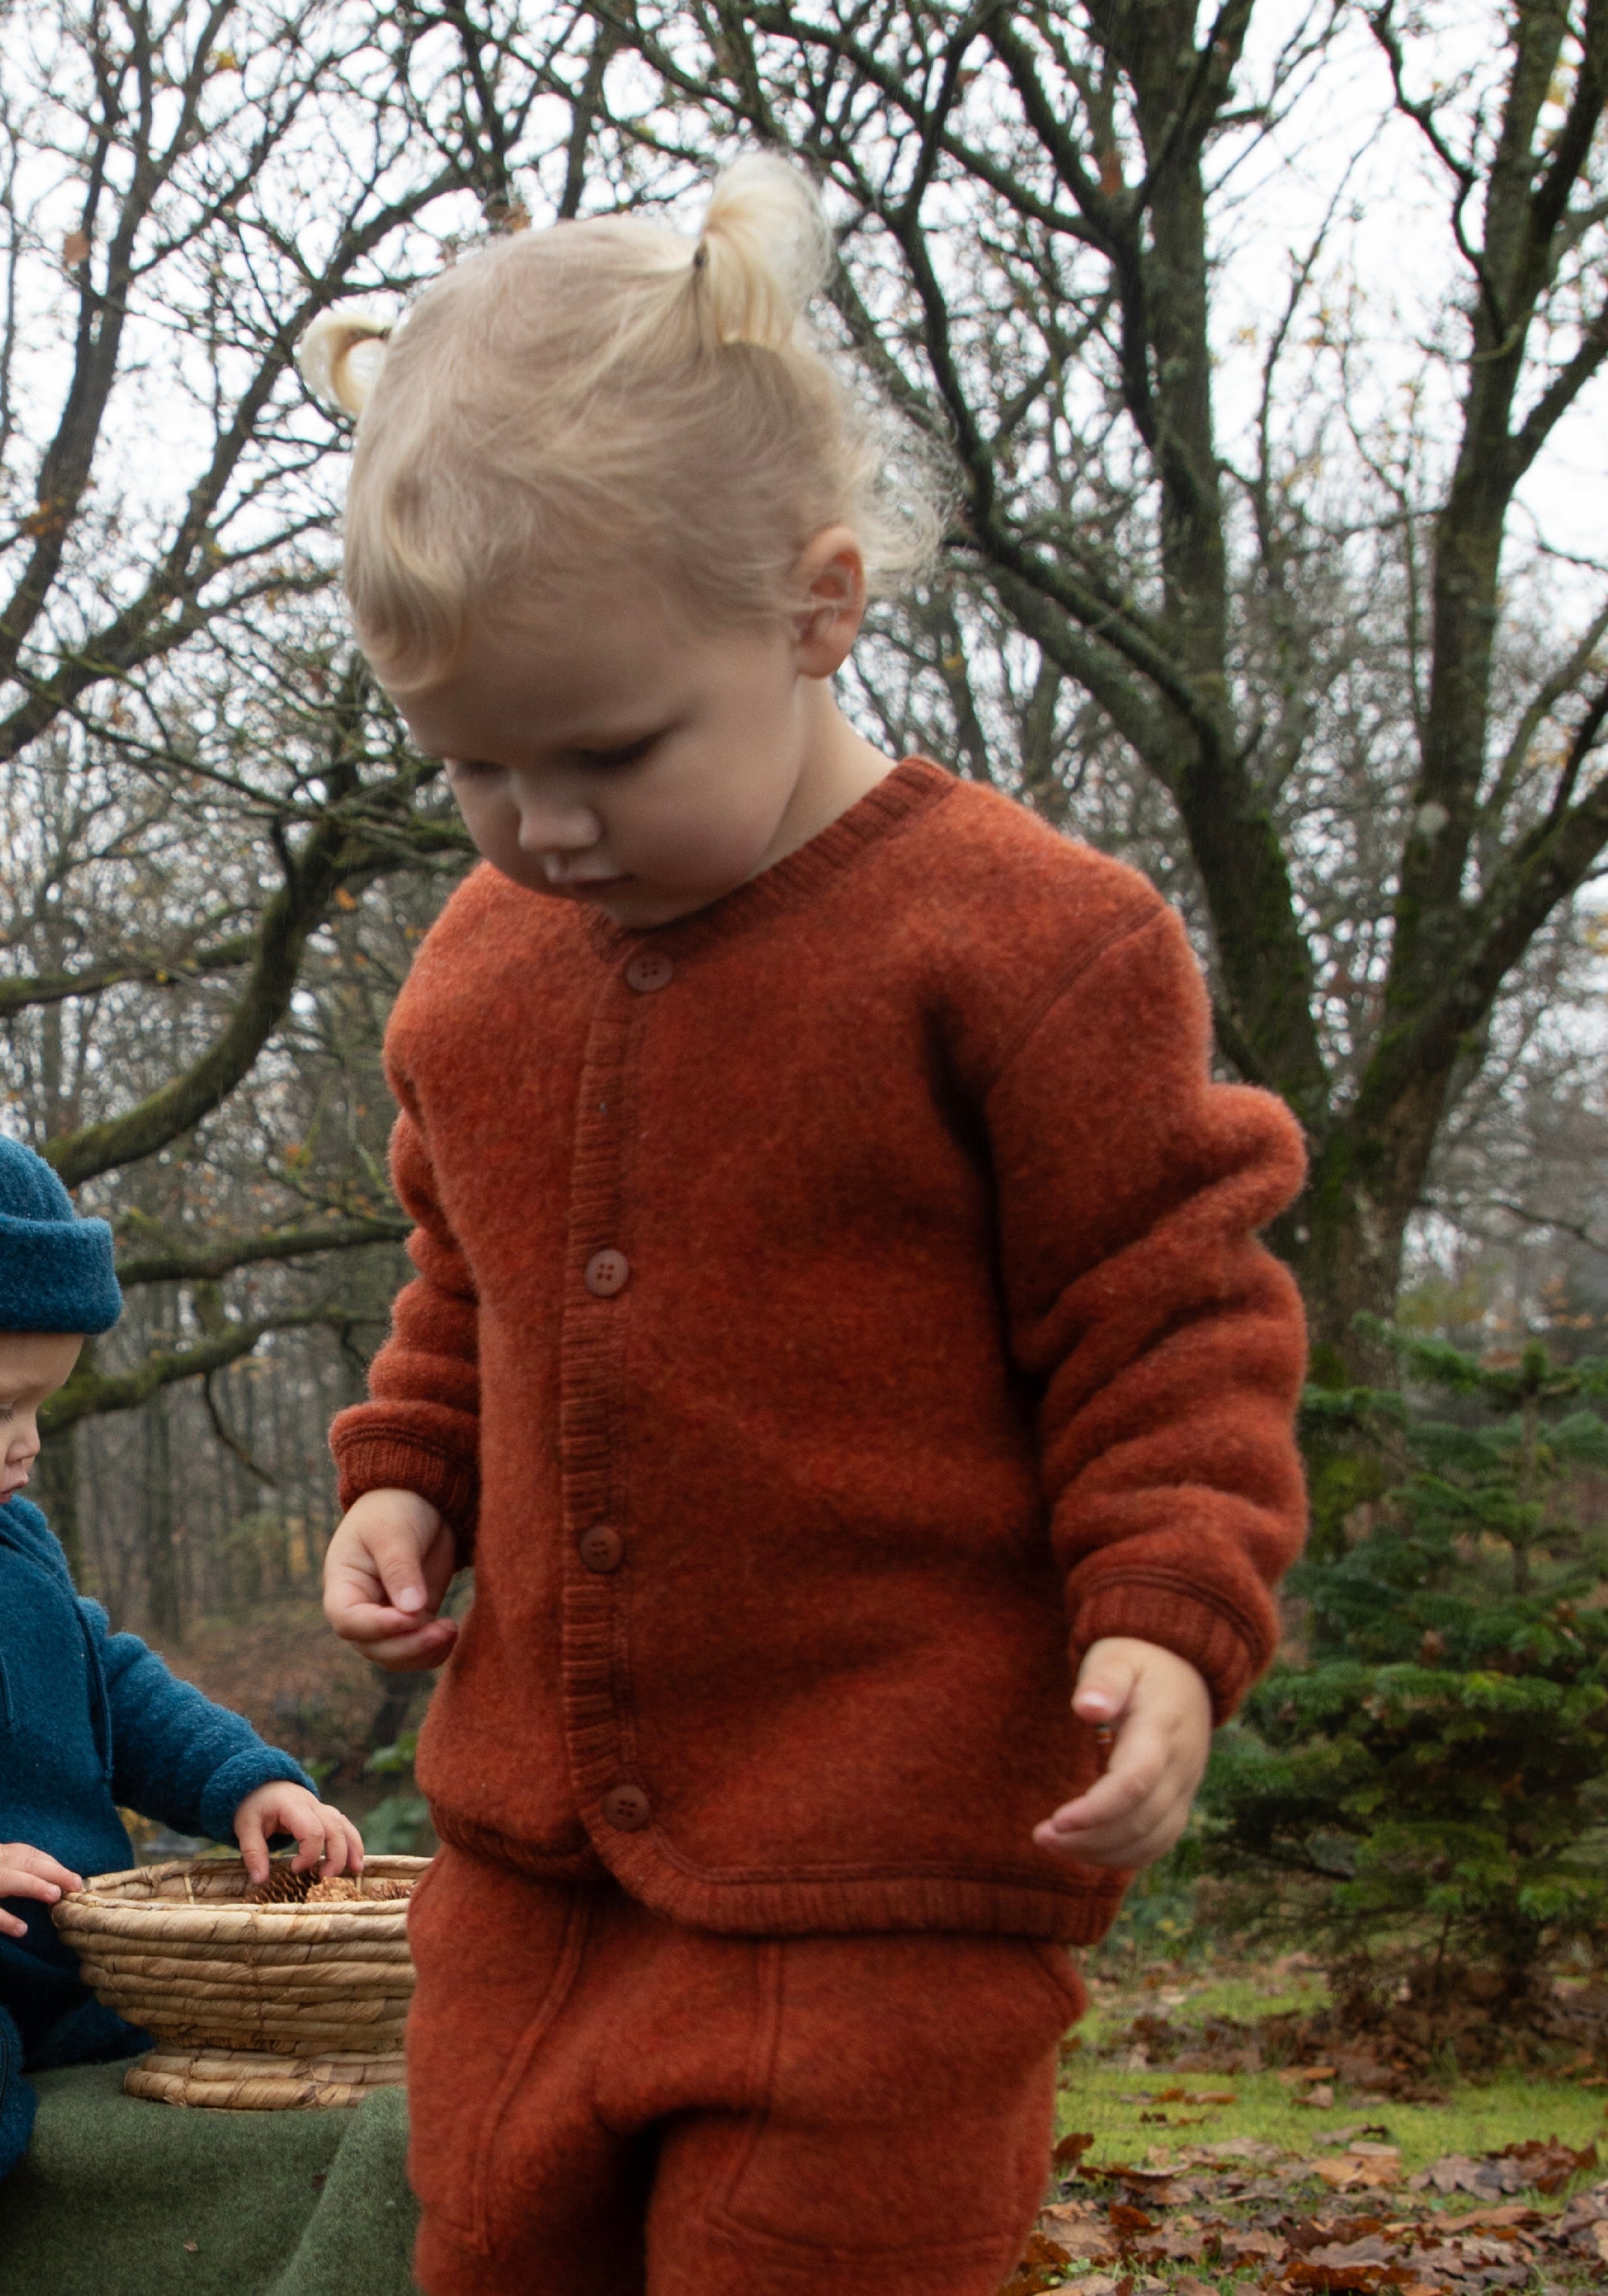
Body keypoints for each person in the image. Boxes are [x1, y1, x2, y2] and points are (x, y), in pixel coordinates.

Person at [306, 153, 1308, 2296]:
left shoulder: (1029, 949)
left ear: (818, 607)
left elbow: (1171, 1315)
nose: (543, 828)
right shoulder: (478, 973)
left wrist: (1169, 1603)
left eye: (608, 750)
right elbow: (460, 1278)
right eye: (473, 767)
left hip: (894, 1878)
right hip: (526, 1884)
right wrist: (405, 1476)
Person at [0, 1136, 365, 2181]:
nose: (27, 1443)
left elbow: (107, 1679)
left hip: (83, 1976)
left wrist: (235, 1776)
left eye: (40, 1407)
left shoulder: (18, 1538)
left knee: (255, 2049)